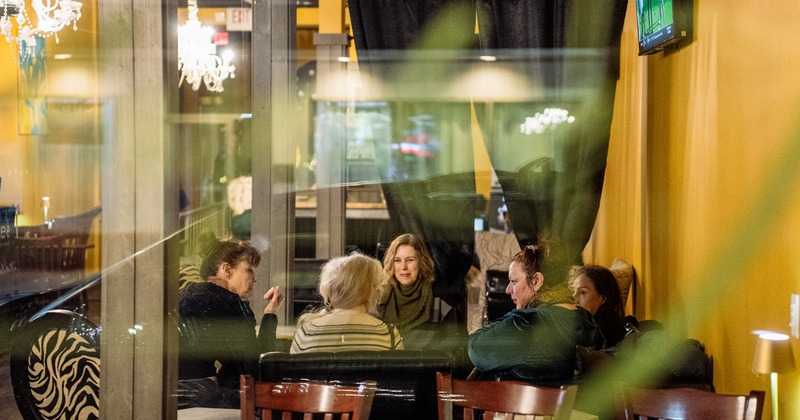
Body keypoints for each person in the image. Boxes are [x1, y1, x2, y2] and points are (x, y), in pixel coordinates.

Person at [467, 244, 603, 385]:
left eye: (514, 281)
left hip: (518, 400)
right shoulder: (586, 319)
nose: (508, 290)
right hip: (567, 399)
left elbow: (475, 349)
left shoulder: (526, 323)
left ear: (536, 281)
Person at [178, 232, 284, 408]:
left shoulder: (182, 295)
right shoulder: (231, 303)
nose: (254, 278)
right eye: (249, 270)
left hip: (168, 399)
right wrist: (270, 315)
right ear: (227, 270)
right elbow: (255, 369)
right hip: (203, 402)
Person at [291, 252, 402, 353]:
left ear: (330, 289)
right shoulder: (388, 334)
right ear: (372, 290)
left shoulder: (306, 332)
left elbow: (294, 368)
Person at [377, 233, 436, 335]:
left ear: (421, 262)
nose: (403, 267)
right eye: (397, 260)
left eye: (410, 260)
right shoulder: (379, 295)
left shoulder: (437, 294)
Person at [571, 265, 627, 347]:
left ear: (603, 298)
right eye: (573, 291)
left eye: (582, 292)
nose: (574, 299)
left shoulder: (605, 335)